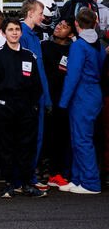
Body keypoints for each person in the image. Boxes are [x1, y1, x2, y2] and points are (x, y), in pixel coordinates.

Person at [0, 17, 47, 199]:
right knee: (6, 147)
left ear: (21, 33)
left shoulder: (29, 56)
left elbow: (37, 85)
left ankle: (27, 183)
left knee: (26, 147)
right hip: (5, 108)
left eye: (17, 29)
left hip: (26, 109)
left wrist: (33, 105)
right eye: (11, 30)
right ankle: (8, 184)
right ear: (4, 33)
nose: (14, 33)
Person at [58, 9, 104, 195]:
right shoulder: (98, 45)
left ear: (76, 24)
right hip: (94, 93)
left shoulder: (78, 45)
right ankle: (79, 180)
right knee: (80, 138)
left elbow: (72, 76)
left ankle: (90, 183)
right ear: (95, 23)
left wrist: (62, 102)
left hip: (82, 95)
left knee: (81, 139)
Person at [19, 0, 52, 186]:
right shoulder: (21, 34)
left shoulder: (34, 35)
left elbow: (40, 71)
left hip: (38, 97)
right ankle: (24, 179)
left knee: (36, 139)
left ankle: (29, 178)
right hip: (29, 99)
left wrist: (46, 100)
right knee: (27, 139)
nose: (43, 17)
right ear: (30, 13)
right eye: (40, 13)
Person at [42, 17, 74, 187]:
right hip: (47, 98)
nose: (59, 27)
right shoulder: (44, 45)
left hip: (64, 99)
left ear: (72, 32)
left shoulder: (73, 49)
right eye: (59, 24)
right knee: (46, 136)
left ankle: (57, 173)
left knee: (61, 137)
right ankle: (45, 172)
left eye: (65, 26)